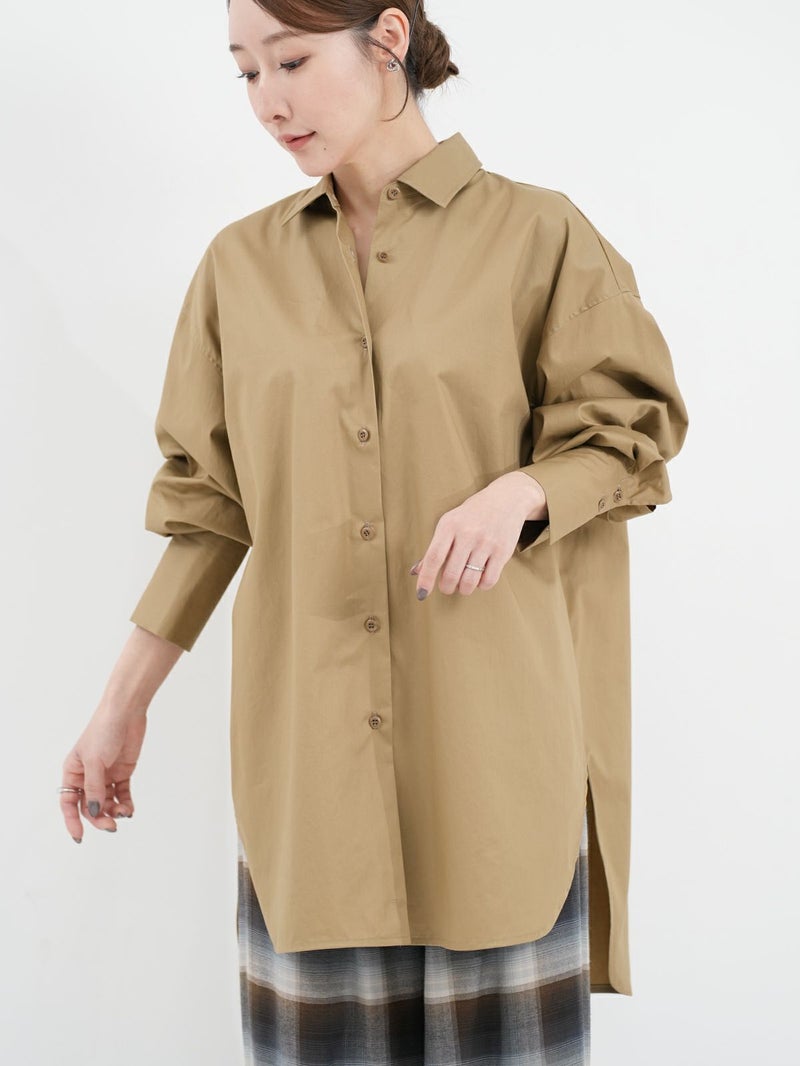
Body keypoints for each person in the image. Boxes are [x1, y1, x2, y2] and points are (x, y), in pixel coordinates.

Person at [59, 1, 689, 1063]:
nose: (269, 101)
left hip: (493, 761)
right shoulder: (238, 268)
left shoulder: (539, 236)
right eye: (245, 73)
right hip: (312, 774)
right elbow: (209, 507)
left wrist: (520, 493)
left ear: (388, 38)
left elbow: (629, 429)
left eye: (292, 60)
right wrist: (118, 708)